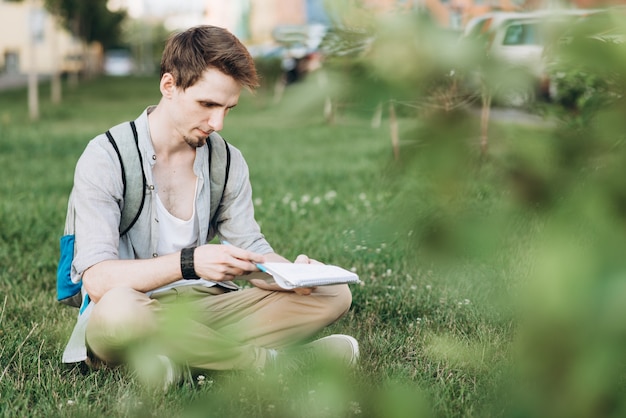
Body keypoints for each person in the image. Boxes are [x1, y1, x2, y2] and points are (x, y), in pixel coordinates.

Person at [60, 25, 358, 387]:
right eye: (207, 105)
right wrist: (191, 262)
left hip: (202, 309)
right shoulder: (106, 157)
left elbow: (252, 252)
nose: (217, 123)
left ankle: (176, 357)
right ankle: (272, 364)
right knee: (120, 312)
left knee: (334, 295)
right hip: (127, 313)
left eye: (228, 108)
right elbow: (98, 280)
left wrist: (292, 277)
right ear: (169, 86)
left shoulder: (227, 162)